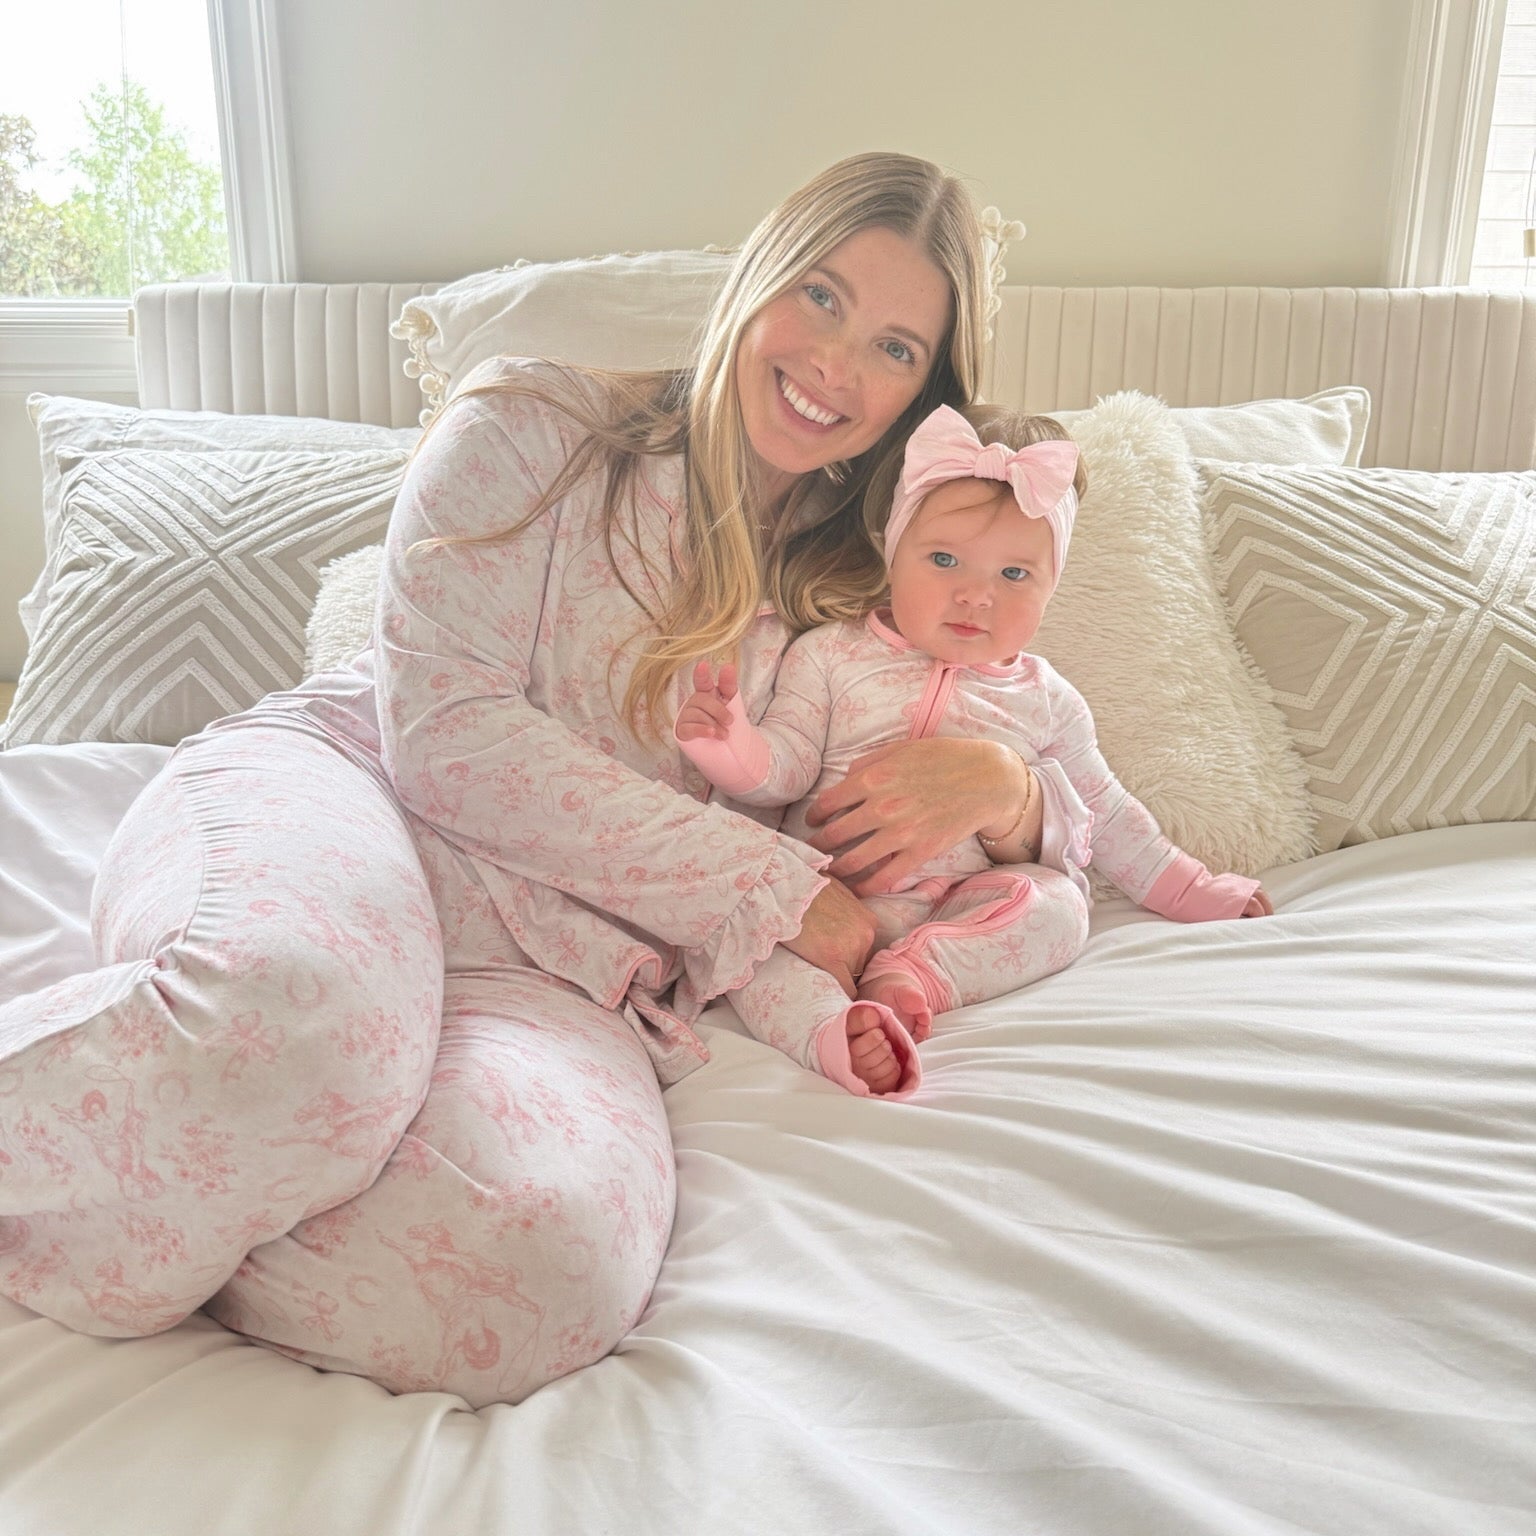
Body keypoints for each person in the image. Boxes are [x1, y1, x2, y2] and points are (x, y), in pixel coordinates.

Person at [0, 152, 1037, 1408]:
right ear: (757, 277)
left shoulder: (886, 584)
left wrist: (1005, 784)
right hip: (354, 806)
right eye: (820, 296)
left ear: (926, 393)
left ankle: (195, 1166)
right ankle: (249, 1098)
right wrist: (764, 884)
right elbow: (446, 733)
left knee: (545, 1273)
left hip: (569, 963)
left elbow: (1044, 743)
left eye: (894, 347)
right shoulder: (536, 425)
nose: (835, 363)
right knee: (301, 1030)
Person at [675, 403, 1274, 1097]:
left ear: (1052, 586)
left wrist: (1191, 889)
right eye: (943, 560)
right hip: (829, 898)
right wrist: (729, 743)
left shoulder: (1047, 699)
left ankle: (916, 977)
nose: (975, 596)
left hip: (963, 906)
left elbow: (1106, 814)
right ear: (892, 551)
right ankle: (831, 1035)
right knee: (756, 950)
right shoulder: (831, 655)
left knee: (1060, 906)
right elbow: (785, 769)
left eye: (1014, 575)